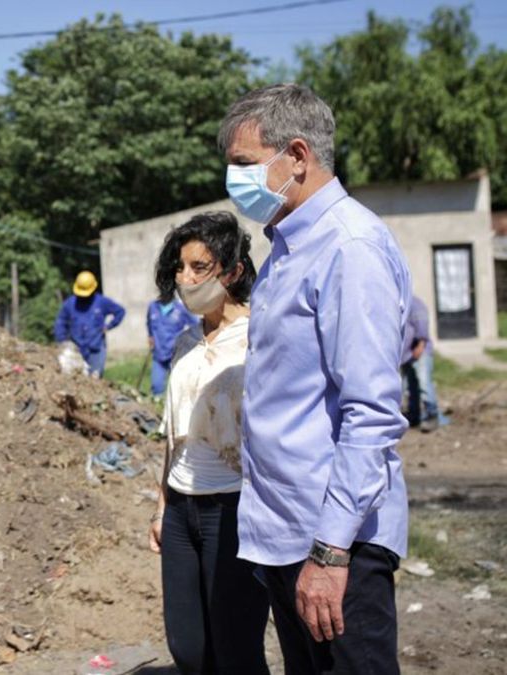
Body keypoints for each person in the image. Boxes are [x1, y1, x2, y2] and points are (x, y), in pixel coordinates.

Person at [221, 84, 410, 674]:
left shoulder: (348, 247)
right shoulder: (287, 245)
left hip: (334, 545)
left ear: (297, 156)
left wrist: (330, 552)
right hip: (288, 537)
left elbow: (371, 412)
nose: (233, 182)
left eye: (244, 165)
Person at [148, 212, 269, 674]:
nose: (186, 278)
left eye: (200, 267)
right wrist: (161, 506)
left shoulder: (259, 337)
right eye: (180, 268)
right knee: (188, 646)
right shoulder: (184, 342)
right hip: (182, 511)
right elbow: (172, 436)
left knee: (237, 648)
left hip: (236, 510)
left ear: (233, 270)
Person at [53, 271, 126, 377]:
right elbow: (60, 322)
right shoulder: (70, 304)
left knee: (95, 379)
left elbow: (120, 311)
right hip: (76, 349)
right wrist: (62, 340)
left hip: (96, 348)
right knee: (76, 378)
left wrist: (109, 326)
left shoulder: (102, 302)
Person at [402, 295, 449, 432]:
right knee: (411, 387)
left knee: (424, 384)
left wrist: (421, 345)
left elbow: (422, 324)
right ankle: (414, 415)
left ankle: (432, 415)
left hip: (419, 352)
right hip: (407, 355)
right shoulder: (399, 303)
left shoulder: (414, 303)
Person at [146, 296, 198, 396]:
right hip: (158, 354)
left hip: (176, 354)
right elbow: (149, 323)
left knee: (179, 389)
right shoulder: (153, 307)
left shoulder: (181, 308)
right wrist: (150, 336)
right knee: (157, 386)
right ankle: (158, 407)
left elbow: (196, 324)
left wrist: (188, 341)